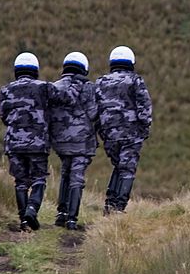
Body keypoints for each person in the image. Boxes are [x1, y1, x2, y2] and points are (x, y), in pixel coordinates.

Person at [0, 52, 53, 231]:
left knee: (20, 182)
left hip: (14, 142)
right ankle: (32, 209)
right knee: (39, 179)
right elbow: (53, 110)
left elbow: (3, 116)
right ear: (35, 69)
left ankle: (23, 220)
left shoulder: (6, 90)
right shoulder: (45, 88)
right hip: (38, 142)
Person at [95, 45, 153, 214]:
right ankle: (118, 207)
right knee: (127, 169)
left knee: (118, 166)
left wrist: (101, 130)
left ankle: (109, 203)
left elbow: (94, 110)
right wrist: (144, 128)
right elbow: (145, 106)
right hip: (131, 133)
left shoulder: (100, 82)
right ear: (131, 61)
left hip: (109, 134)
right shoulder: (135, 80)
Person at [50, 51, 99, 230]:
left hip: (60, 142)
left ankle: (60, 213)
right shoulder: (88, 87)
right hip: (82, 142)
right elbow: (94, 113)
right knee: (76, 177)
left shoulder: (55, 86)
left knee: (65, 173)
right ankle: (72, 218)